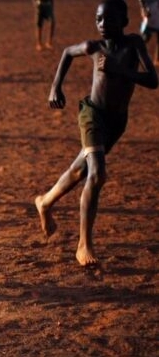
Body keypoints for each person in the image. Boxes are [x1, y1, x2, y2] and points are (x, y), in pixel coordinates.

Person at [35, 0, 157, 267]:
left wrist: (122, 70)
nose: (103, 25)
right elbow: (67, 52)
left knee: (80, 170)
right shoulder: (94, 47)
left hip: (117, 122)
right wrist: (55, 87)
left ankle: (45, 202)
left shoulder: (133, 44)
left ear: (124, 23)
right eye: (99, 19)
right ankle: (84, 245)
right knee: (97, 173)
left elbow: (153, 80)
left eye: (110, 20)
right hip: (92, 115)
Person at [139, 0, 159, 65]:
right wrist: (143, 8)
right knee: (143, 39)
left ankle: (157, 59)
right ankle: (138, 55)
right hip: (149, 16)